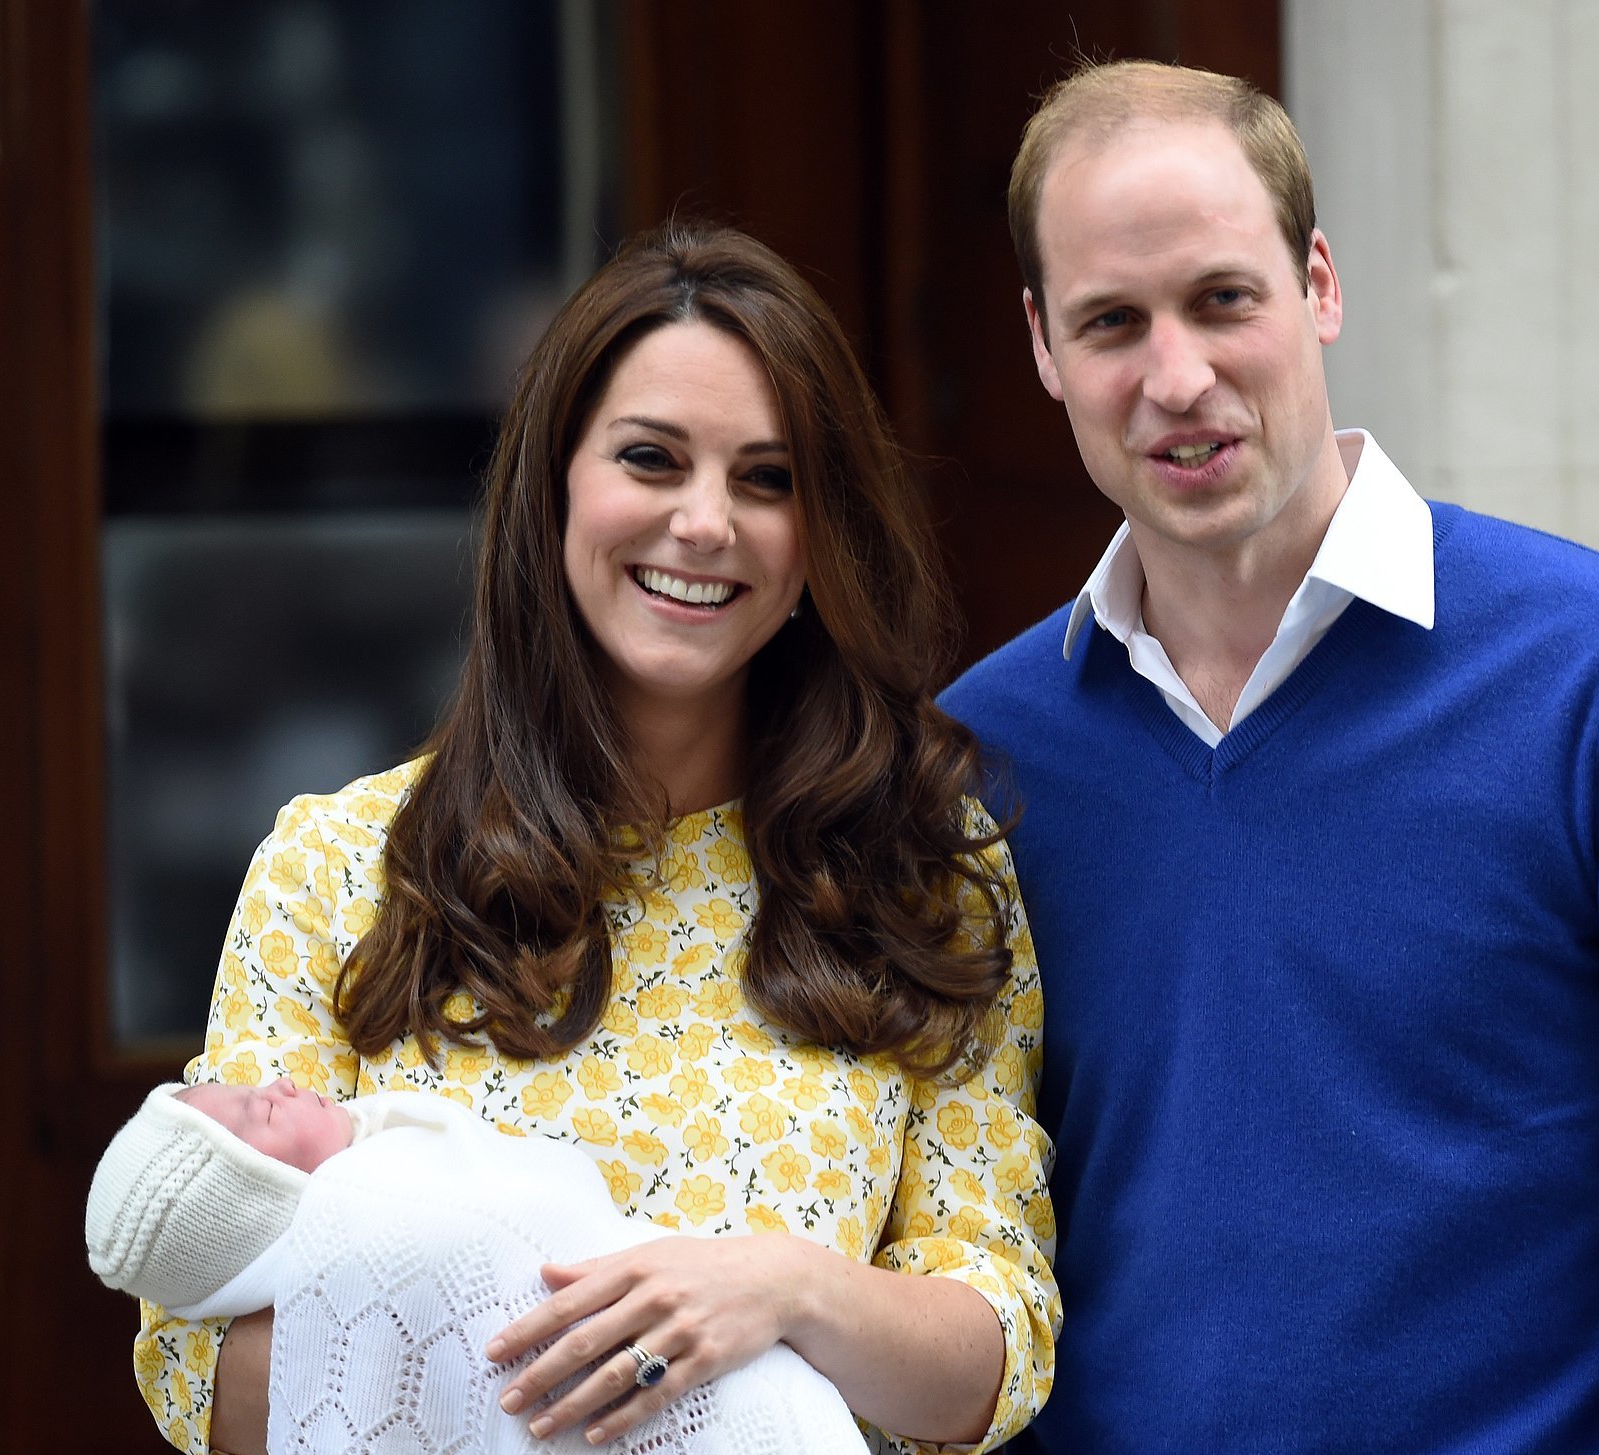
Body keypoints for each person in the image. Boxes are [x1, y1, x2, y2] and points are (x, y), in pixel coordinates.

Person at [941, 59, 1599, 1453]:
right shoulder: (980, 759)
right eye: (1111, 322)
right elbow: (962, 1254)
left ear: (1317, 283)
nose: (1178, 376)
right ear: (1040, 345)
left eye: (1223, 299)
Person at [131, 220, 1058, 1455]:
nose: (704, 522)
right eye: (651, 459)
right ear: (556, 482)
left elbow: (997, 1348)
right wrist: (529, 1360)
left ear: (818, 539)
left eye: (767, 478)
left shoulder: (922, 874)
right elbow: (194, 1374)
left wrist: (783, 1290)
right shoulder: (341, 868)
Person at [90, 1079, 868, 1453]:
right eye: (255, 1115)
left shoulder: (400, 1171)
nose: (277, 1085)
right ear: (249, 1200)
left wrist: (786, 1285)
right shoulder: (379, 1215)